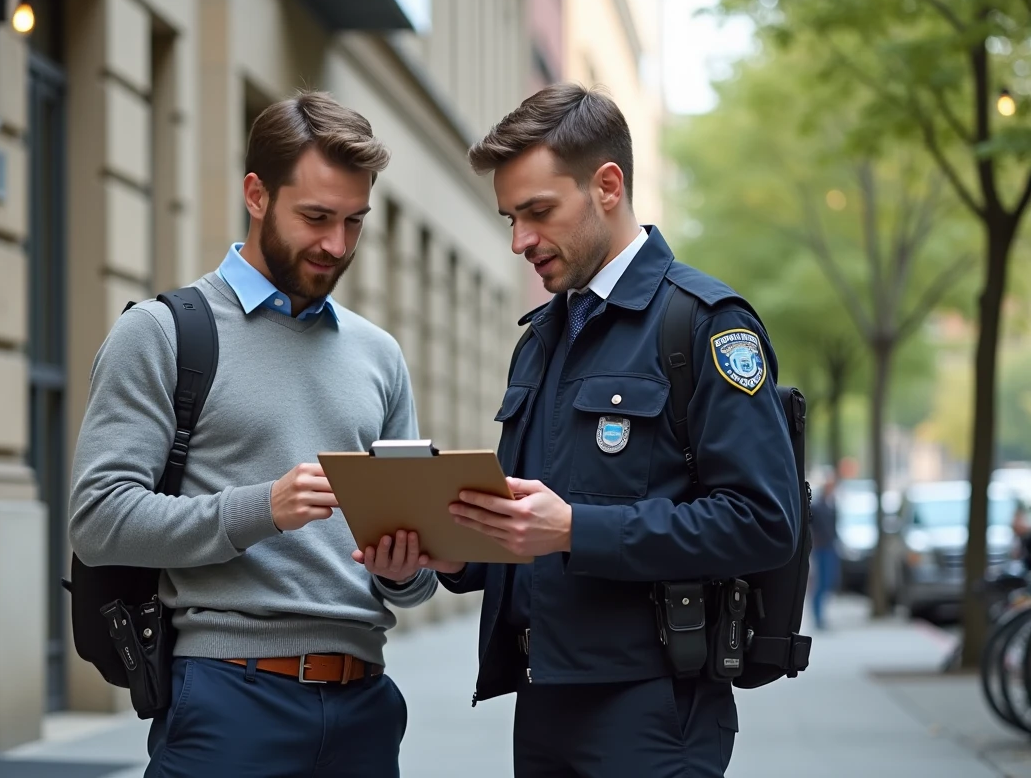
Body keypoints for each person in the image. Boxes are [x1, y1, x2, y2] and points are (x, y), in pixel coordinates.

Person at [431, 83, 802, 777]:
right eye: (510, 218)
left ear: (607, 185)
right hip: (542, 701)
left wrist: (577, 529)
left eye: (537, 212)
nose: (520, 242)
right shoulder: (542, 337)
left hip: (654, 711)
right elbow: (529, 528)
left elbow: (763, 522)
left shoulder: (704, 325)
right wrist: (450, 556)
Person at [68, 90, 439, 777]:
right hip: (227, 701)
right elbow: (97, 518)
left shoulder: (378, 354)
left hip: (366, 708)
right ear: (256, 194)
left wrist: (407, 569)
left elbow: (413, 582)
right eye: (317, 217)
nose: (337, 244)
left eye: (355, 221)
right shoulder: (162, 334)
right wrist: (261, 508)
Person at [809, 477, 840, 630]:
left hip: (831, 546)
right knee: (820, 583)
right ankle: (817, 616)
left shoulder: (832, 504)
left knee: (828, 581)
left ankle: (821, 615)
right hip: (821, 548)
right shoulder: (817, 505)